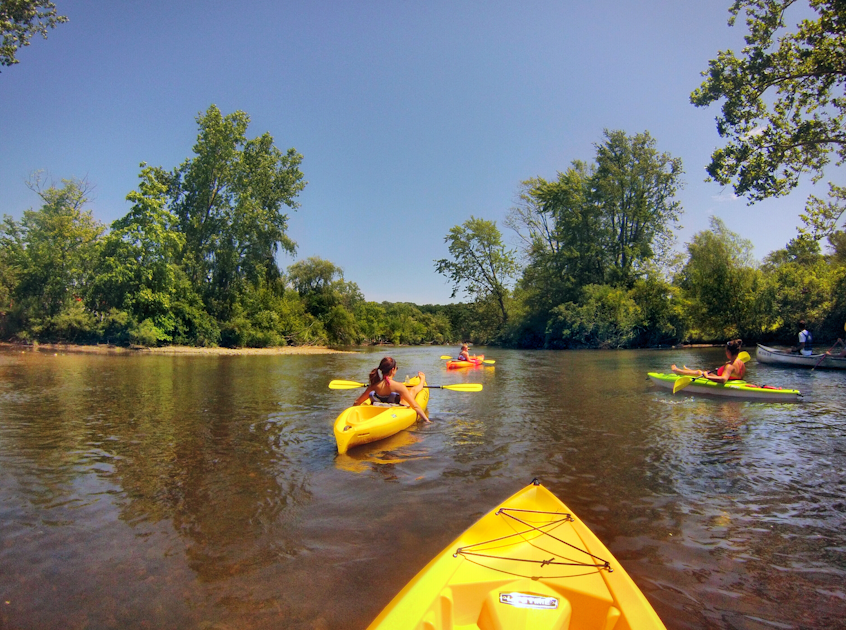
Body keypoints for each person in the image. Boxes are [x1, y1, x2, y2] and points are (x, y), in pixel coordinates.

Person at [354, 356, 431, 423]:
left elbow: (357, 402)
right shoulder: (399, 387)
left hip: (378, 412)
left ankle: (421, 382)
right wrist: (427, 421)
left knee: (410, 391)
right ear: (392, 370)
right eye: (396, 369)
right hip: (394, 414)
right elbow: (415, 406)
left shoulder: (373, 386)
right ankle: (422, 381)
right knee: (412, 391)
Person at [671, 339, 746, 384]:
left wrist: (707, 377)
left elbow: (723, 380)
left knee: (700, 373)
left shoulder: (729, 366)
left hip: (727, 383)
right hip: (736, 382)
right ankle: (688, 371)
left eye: (726, 351)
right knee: (706, 371)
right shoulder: (741, 363)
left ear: (729, 352)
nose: (726, 353)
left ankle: (678, 371)